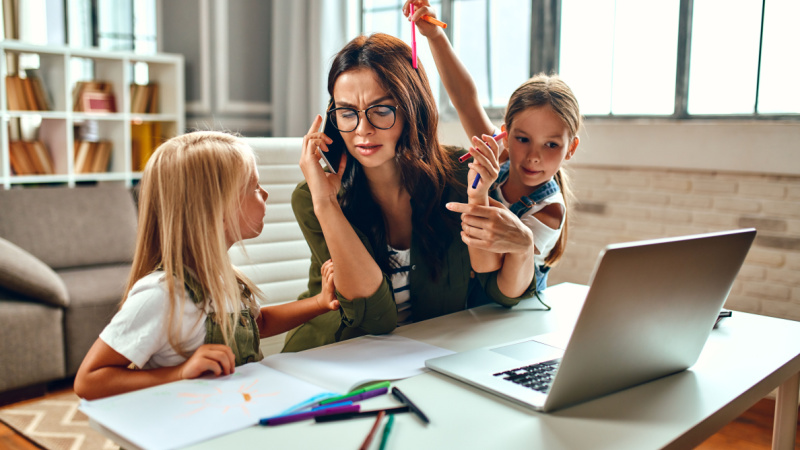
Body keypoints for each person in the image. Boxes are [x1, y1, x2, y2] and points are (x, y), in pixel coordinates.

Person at [284, 32, 536, 352]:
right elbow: (374, 318)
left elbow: (499, 296)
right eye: (347, 112)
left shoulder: (460, 177)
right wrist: (325, 202)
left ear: (411, 109)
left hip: (428, 358)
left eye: (381, 110)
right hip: (333, 358)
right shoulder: (315, 198)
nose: (363, 129)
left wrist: (524, 246)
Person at [74, 131, 340, 400]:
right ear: (217, 210)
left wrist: (319, 303)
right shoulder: (161, 295)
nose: (266, 193)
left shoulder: (223, 278)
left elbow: (257, 324)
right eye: (253, 187)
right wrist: (180, 372)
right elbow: (90, 380)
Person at [407, 0, 581, 293]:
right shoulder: (499, 154)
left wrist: (480, 195)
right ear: (505, 134)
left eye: (551, 144)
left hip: (512, 308)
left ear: (571, 149)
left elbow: (495, 271)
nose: (534, 156)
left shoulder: (549, 210)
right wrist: (434, 35)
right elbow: (465, 97)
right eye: (522, 139)